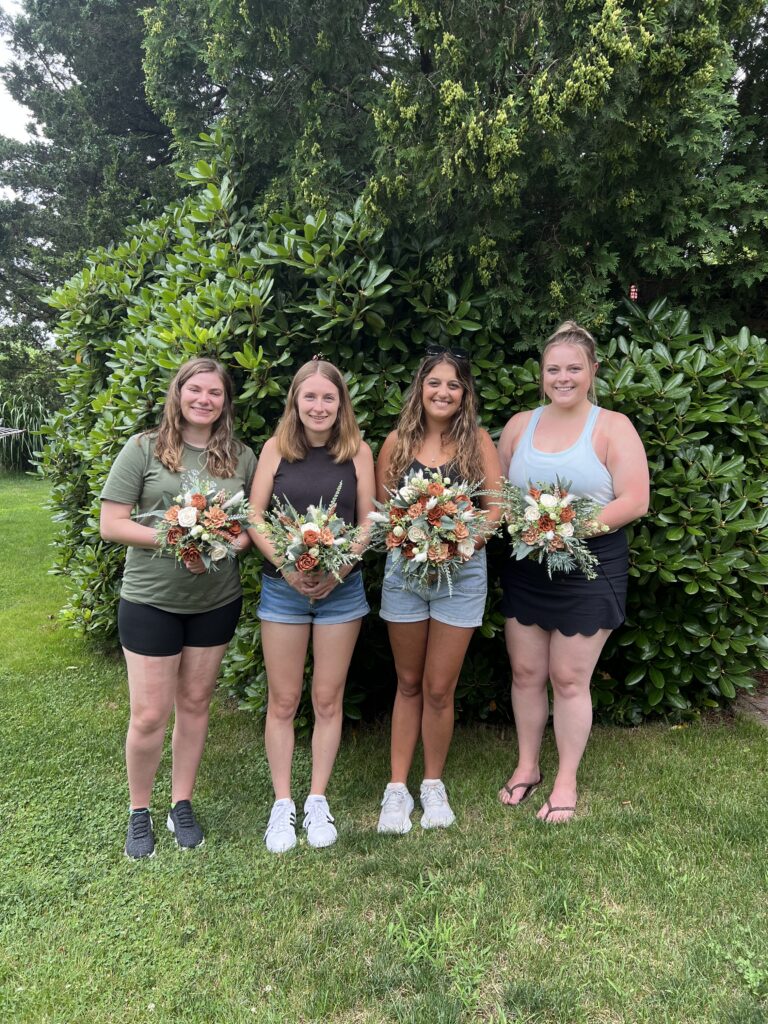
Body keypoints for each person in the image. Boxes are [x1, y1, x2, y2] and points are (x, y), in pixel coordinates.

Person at [100, 357, 256, 858]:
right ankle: (139, 811)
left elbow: (249, 526)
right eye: (196, 390)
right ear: (179, 393)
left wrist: (221, 547)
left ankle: (181, 802)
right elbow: (112, 523)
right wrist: (178, 541)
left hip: (215, 601)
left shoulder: (240, 457)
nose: (204, 400)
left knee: (194, 705)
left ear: (225, 402)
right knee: (148, 715)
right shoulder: (143, 448)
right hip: (151, 601)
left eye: (215, 393)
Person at [497, 321, 649, 822]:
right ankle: (527, 766)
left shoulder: (612, 426)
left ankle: (565, 780)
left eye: (574, 369)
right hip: (527, 568)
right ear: (541, 374)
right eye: (553, 369)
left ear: (593, 372)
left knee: (568, 678)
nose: (563, 378)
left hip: (589, 567)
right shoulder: (521, 424)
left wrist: (567, 530)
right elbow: (498, 494)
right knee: (525, 673)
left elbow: (635, 499)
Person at [248, 358, 375, 853]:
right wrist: (287, 568)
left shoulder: (357, 451)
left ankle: (317, 798)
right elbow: (254, 517)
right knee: (283, 701)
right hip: (283, 589)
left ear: (341, 402)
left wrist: (337, 571)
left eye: (329, 397)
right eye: (310, 397)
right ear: (295, 402)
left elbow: (368, 522)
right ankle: (283, 805)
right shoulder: (276, 449)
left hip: (341, 592)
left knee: (327, 699)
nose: (319, 406)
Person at [375, 346, 502, 834]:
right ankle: (395, 790)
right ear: (420, 388)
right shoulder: (397, 443)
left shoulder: (479, 443)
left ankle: (432, 784)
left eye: (453, 384)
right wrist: (411, 538)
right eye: (434, 383)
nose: (443, 392)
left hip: (462, 576)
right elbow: (383, 511)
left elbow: (495, 509)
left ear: (464, 393)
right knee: (408, 684)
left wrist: (458, 543)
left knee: (438, 687)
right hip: (404, 576)